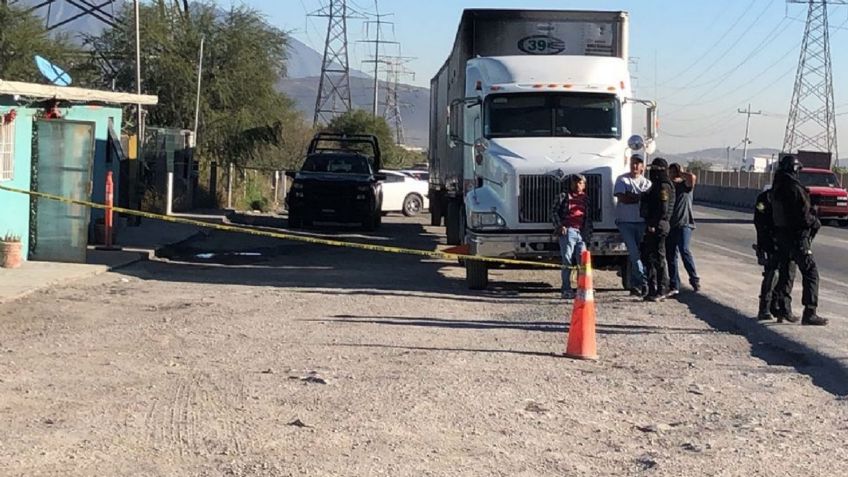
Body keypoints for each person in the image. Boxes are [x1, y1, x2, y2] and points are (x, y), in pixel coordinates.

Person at [771, 154, 827, 326]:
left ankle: (782, 309)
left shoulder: (777, 186)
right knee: (810, 272)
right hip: (797, 236)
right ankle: (810, 311)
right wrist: (815, 219)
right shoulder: (794, 188)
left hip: (782, 236)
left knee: (787, 272)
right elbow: (803, 216)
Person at [753, 188, 796, 321]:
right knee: (772, 274)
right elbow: (759, 219)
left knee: (788, 274)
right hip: (770, 241)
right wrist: (764, 243)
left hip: (787, 241)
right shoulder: (765, 197)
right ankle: (764, 308)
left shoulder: (792, 194)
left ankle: (782, 309)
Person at [614, 154, 652, 296]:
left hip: (641, 222)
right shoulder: (622, 179)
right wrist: (639, 197)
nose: (635, 166)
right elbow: (622, 198)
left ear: (642, 167)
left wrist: (633, 196)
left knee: (637, 254)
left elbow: (646, 199)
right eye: (633, 163)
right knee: (634, 252)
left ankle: (635, 284)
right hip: (625, 222)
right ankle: (643, 282)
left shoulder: (647, 183)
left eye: (638, 163)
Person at [640, 158, 675, 302]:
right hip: (655, 224)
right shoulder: (657, 184)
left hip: (659, 226)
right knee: (649, 256)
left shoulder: (663, 186)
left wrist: (653, 224)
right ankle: (653, 288)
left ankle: (661, 288)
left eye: (655, 169)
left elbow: (663, 208)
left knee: (658, 258)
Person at [665, 163, 701, 295]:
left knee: (684, 250)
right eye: (671, 172)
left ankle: (694, 278)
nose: (673, 174)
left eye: (676, 172)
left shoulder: (685, 186)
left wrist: (681, 173)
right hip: (670, 226)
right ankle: (674, 284)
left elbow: (692, 178)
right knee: (671, 255)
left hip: (684, 224)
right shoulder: (668, 188)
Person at [552, 174, 589, 299]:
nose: (577, 185)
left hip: (581, 233)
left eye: (580, 183)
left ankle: (582, 287)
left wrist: (588, 232)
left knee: (582, 261)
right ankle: (566, 288)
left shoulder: (585, 199)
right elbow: (554, 212)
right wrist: (560, 226)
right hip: (568, 231)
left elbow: (587, 217)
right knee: (567, 260)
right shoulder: (563, 196)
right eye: (575, 182)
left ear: (584, 185)